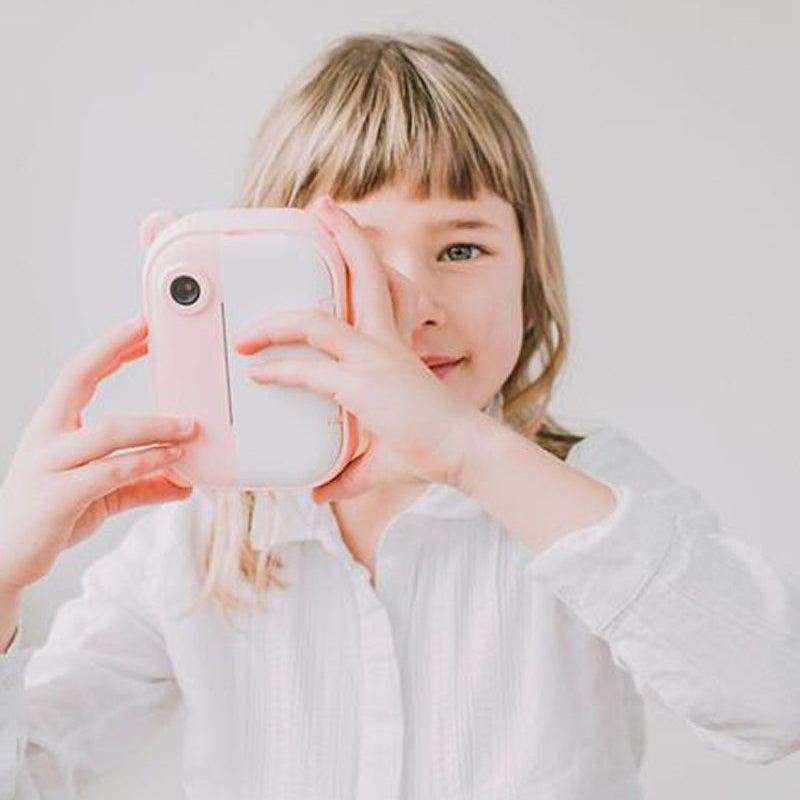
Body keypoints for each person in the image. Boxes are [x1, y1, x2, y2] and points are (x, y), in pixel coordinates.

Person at [1, 31, 798, 800]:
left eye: (462, 250)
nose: (414, 305)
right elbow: (28, 768)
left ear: (530, 272)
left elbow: (775, 700)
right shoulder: (196, 535)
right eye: (358, 256)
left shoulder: (582, 491)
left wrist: (470, 453)